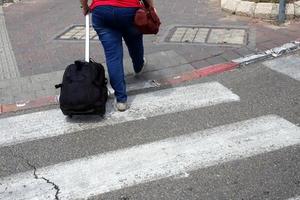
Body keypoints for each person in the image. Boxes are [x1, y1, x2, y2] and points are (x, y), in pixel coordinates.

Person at [80, 0, 154, 112]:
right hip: (129, 9)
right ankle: (138, 66)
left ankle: (121, 100)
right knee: (135, 42)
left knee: (113, 56)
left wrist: (85, 6)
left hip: (102, 10)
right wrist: (150, 6)